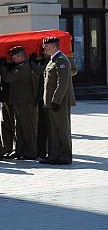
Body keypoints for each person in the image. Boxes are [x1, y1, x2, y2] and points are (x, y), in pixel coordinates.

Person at [40, 36, 75, 165]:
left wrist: (56, 100)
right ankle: (54, 155)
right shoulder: (52, 60)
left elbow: (63, 82)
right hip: (51, 103)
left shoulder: (61, 60)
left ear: (53, 46)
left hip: (59, 102)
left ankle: (65, 156)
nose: (44, 48)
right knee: (53, 130)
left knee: (62, 129)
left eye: (46, 46)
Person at [0, 46, 38, 160]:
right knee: (19, 127)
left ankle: (30, 152)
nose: (13, 59)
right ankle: (19, 151)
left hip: (25, 102)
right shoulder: (19, 66)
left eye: (14, 57)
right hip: (19, 101)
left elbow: (8, 78)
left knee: (27, 128)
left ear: (21, 56)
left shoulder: (23, 67)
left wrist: (3, 67)